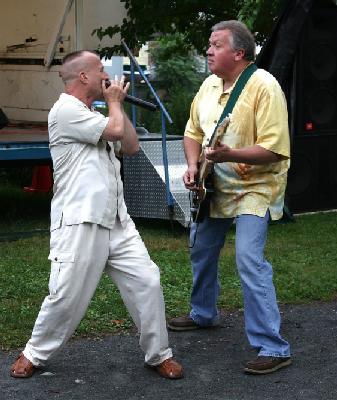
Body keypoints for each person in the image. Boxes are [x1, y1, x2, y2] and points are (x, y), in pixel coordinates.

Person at [10, 50, 183, 380]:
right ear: (84, 77)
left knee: (147, 280)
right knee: (66, 295)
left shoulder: (97, 114)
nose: (106, 74)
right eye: (100, 69)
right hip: (80, 220)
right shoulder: (65, 111)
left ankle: (159, 353)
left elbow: (130, 145)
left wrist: (118, 103)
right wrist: (115, 103)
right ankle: (34, 352)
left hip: (117, 220)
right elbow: (116, 133)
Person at [167, 20, 292, 375]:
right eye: (209, 44)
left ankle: (274, 346)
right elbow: (192, 132)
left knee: (248, 259)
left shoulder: (264, 86)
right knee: (202, 250)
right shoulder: (207, 85)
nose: (208, 50)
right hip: (214, 186)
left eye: (216, 45)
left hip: (256, 186)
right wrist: (193, 166)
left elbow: (274, 149)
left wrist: (227, 156)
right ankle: (203, 313)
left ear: (238, 53)